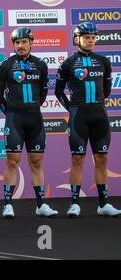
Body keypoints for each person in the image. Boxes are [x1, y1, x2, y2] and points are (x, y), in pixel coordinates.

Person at [55, 22, 121, 218]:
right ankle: (74, 204)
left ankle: (103, 204)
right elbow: (58, 92)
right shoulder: (68, 63)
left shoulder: (103, 61)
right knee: (77, 159)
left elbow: (107, 89)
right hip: (78, 117)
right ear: (77, 40)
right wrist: (73, 109)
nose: (90, 40)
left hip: (99, 115)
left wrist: (95, 104)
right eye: (86, 37)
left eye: (93, 37)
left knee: (102, 158)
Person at [0, 27, 58, 219]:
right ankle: (7, 204)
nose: (20, 46)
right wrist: (11, 112)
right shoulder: (6, 65)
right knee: (12, 162)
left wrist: (32, 107)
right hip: (15, 119)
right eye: (17, 43)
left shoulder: (40, 65)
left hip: (35, 118)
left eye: (23, 42)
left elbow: (44, 91)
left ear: (31, 42)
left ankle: (41, 204)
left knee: (36, 162)